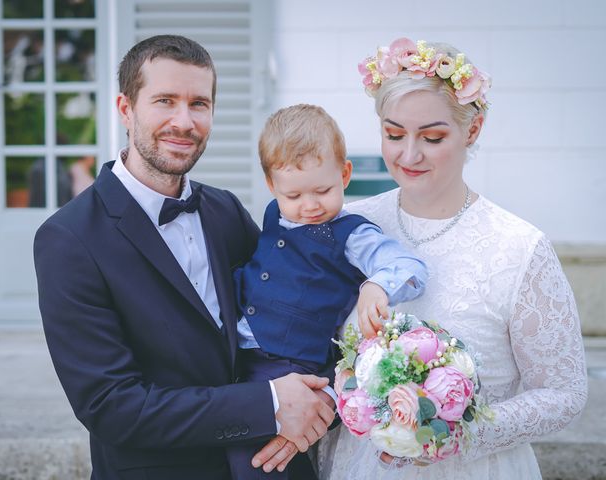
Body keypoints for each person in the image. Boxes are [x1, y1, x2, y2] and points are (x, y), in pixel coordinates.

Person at [33, 34, 335, 480]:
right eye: (165, 101)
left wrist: (321, 398)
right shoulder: (68, 238)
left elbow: (300, 306)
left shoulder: (226, 210)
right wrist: (270, 404)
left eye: (199, 104)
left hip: (273, 464)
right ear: (125, 109)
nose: (184, 121)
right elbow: (112, 406)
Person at [315, 38, 588, 479]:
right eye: (394, 134)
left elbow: (564, 393)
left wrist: (456, 433)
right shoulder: (350, 226)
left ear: (473, 130)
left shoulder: (518, 247)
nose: (409, 155)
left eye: (433, 136)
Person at [226, 104, 428, 479]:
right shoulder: (272, 215)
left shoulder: (349, 233)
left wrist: (374, 285)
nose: (310, 206)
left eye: (323, 189)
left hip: (290, 367)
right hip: (236, 361)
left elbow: (411, 268)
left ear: (345, 174)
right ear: (272, 186)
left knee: (255, 459)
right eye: (294, 195)